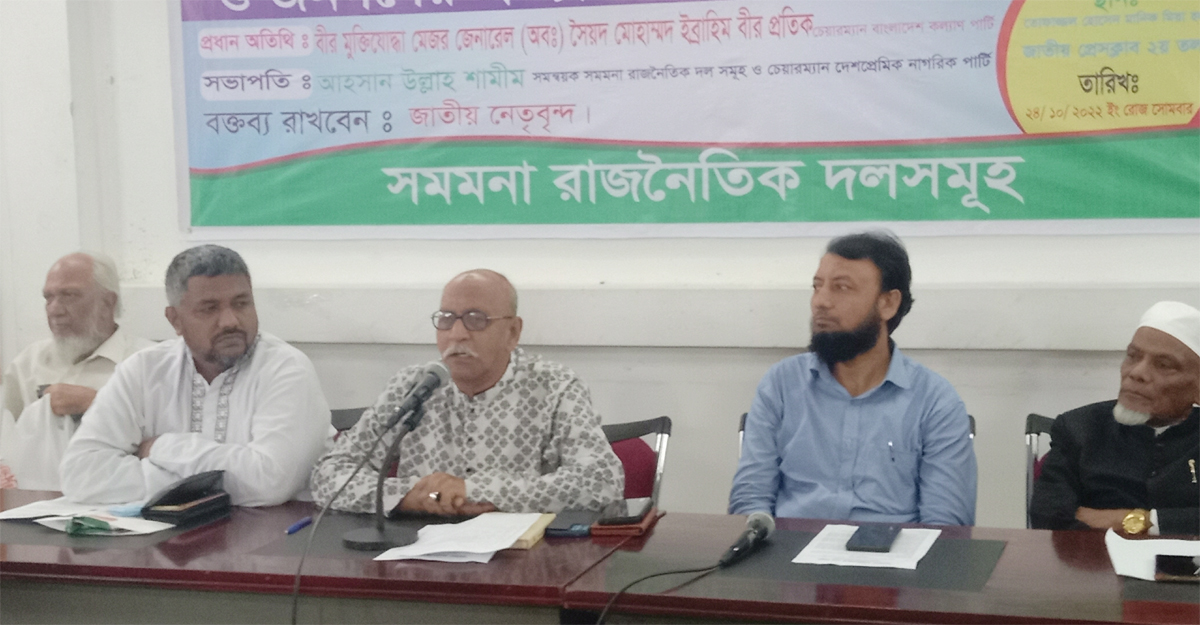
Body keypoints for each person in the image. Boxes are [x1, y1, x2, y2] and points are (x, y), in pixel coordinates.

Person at [311, 269, 623, 516]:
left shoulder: (555, 387)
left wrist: (473, 491)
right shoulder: (413, 386)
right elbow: (329, 474)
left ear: (512, 332)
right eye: (446, 319)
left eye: (476, 320)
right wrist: (408, 497)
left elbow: (602, 480)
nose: (457, 334)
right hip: (416, 556)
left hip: (521, 560)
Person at [729, 231, 977, 525]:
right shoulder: (782, 384)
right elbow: (750, 501)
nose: (821, 302)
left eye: (841, 288)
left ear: (888, 303)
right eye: (817, 287)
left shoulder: (934, 401)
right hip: (790, 547)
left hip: (891, 550)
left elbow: (946, 527)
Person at [59, 245, 331, 506]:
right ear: (175, 320)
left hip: (276, 536)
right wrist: (193, 484)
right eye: (209, 308)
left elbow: (271, 481)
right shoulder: (143, 370)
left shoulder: (285, 368)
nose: (230, 321)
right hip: (170, 536)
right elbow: (80, 473)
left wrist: (162, 448)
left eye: (241, 304)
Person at [1030, 301, 1199, 535]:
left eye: (1163, 365)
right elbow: (1048, 516)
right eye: (1133, 356)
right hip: (1094, 557)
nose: (1137, 373)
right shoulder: (1079, 428)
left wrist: (1139, 521)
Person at [0, 252, 153, 490]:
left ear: (108, 302)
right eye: (48, 298)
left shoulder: (148, 363)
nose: (54, 310)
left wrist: (97, 404)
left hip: (119, 497)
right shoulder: (28, 364)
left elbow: (170, 447)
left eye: (69, 296)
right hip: (36, 502)